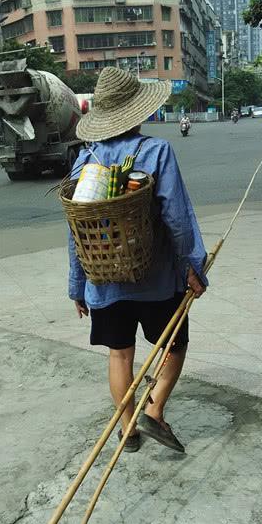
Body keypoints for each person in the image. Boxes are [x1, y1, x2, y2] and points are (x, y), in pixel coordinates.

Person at [69, 67, 207, 454]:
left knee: (120, 353)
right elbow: (176, 218)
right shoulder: (156, 151)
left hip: (104, 279)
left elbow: (77, 230)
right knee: (174, 345)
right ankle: (154, 409)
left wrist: (77, 285)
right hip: (157, 276)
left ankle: (128, 429)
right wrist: (193, 266)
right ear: (138, 112)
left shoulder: (84, 160)